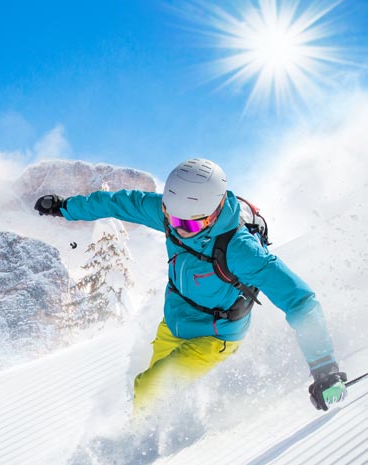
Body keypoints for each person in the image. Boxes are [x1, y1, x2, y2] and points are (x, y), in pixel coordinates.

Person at [34, 157, 347, 414]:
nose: (180, 229)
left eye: (191, 223)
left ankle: (135, 447)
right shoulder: (173, 215)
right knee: (147, 387)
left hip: (214, 335)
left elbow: (300, 301)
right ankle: (150, 424)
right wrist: (65, 207)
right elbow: (119, 203)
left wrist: (324, 369)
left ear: (214, 212)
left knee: (149, 387)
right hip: (173, 322)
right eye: (172, 219)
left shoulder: (241, 249)